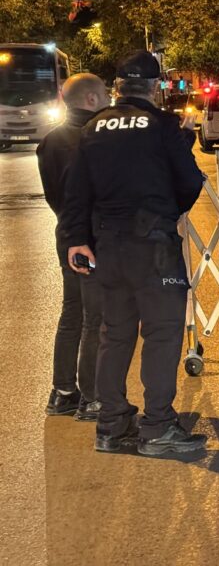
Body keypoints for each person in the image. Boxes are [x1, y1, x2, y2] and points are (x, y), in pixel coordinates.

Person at [62, 50, 206, 455]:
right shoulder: (162, 125)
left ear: (118, 86)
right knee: (162, 332)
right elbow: (189, 182)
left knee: (115, 333)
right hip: (153, 244)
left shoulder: (93, 127)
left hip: (108, 245)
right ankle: (158, 425)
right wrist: (168, 210)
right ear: (155, 87)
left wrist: (77, 238)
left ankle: (111, 425)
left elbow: (75, 190)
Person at [36, 73, 108, 420]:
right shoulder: (95, 137)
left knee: (72, 313)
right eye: (104, 94)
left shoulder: (50, 141)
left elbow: (53, 194)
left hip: (66, 234)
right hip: (91, 239)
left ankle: (63, 391)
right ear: (91, 99)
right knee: (96, 317)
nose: (108, 99)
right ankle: (92, 398)